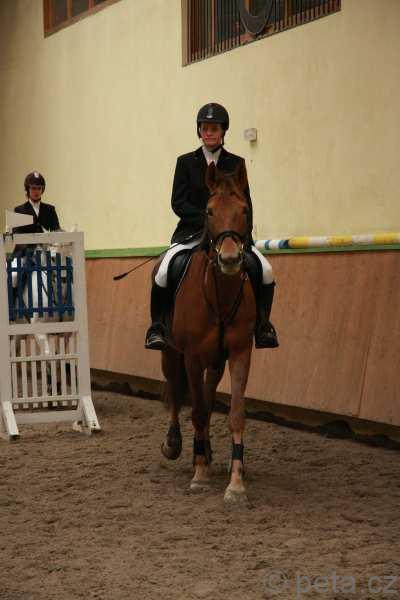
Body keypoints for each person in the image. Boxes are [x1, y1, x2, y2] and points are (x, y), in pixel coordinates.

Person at [145, 102, 279, 351]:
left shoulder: (236, 163)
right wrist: (207, 221)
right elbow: (178, 202)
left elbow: (246, 204)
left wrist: (243, 237)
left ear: (223, 131)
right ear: (199, 131)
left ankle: (263, 326)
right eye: (205, 128)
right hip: (192, 233)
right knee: (163, 271)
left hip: (230, 236)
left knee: (266, 270)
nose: (209, 133)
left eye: (214, 129)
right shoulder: (185, 162)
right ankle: (157, 327)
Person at [11, 171, 61, 290]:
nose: (36, 191)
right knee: (14, 275)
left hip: (46, 253)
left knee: (63, 271)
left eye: (39, 188)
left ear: (42, 190)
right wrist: (32, 247)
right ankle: (13, 300)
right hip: (25, 253)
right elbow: (17, 234)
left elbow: (56, 231)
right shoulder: (19, 210)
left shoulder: (50, 209)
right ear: (27, 189)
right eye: (33, 188)